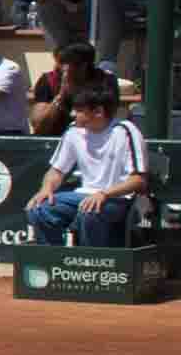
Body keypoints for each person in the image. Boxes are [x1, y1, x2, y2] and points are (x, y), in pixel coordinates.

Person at [25, 77, 149, 246]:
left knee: (90, 210)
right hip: (82, 196)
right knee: (38, 209)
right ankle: (55, 262)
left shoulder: (126, 131)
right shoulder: (73, 131)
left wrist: (104, 194)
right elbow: (56, 171)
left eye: (78, 110)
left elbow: (139, 180)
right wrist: (46, 189)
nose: (72, 114)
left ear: (98, 111)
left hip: (118, 199)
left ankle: (90, 265)